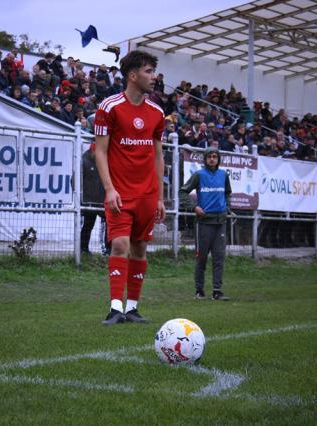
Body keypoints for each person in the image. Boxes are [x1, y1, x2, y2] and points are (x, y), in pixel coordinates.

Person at [93, 50, 165, 326]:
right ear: (132, 76)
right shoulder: (109, 107)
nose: (154, 77)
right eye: (148, 71)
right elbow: (100, 152)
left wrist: (159, 197)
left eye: (153, 71)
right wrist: (109, 189)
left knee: (139, 247)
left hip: (147, 194)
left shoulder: (157, 112)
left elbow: (159, 156)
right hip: (120, 192)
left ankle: (132, 308)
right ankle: (115, 308)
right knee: (120, 244)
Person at [178, 147, 231, 301]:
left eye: (215, 156)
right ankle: (199, 291)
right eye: (209, 157)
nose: (212, 159)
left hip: (220, 222)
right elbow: (182, 192)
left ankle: (217, 291)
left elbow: (228, 193)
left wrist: (227, 207)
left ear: (218, 159)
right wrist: (194, 207)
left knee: (219, 258)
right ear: (205, 159)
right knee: (201, 258)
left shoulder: (223, 175)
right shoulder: (199, 175)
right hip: (204, 223)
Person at [81, 144, 110, 255]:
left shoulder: (104, 161)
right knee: (88, 225)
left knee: (108, 225)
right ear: (93, 151)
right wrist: (82, 198)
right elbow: (74, 181)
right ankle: (83, 250)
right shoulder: (83, 162)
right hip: (88, 202)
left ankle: (107, 249)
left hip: (102, 201)